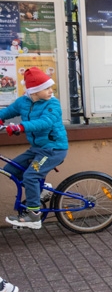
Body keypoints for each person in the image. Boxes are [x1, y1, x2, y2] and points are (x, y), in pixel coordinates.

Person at [0, 67, 68, 230]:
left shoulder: (52, 104)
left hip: (53, 149)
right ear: (34, 91)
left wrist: (20, 127)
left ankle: (34, 215)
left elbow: (45, 122)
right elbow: (8, 112)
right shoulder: (23, 102)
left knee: (31, 176)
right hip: (37, 149)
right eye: (47, 88)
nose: (51, 91)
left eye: (51, 87)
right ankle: (42, 192)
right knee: (11, 170)